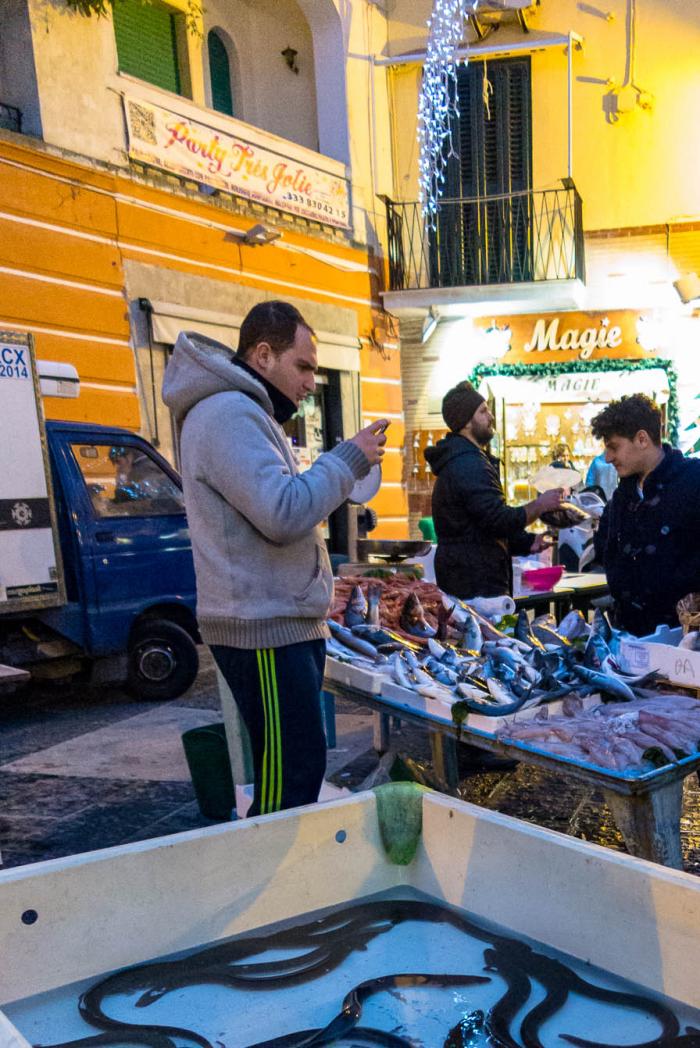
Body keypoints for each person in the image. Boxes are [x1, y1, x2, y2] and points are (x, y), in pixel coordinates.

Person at [162, 300, 387, 816]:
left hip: (276, 620)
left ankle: (278, 881)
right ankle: (273, 887)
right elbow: (282, 512)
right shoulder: (228, 413)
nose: (311, 383)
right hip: (263, 626)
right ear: (263, 355)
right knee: (289, 781)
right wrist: (346, 460)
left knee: (291, 772)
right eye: (303, 366)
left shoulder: (243, 411)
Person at [424, 380, 565, 598]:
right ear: (466, 422)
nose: (490, 417)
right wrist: (540, 504)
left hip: (470, 576)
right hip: (475, 584)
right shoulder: (468, 463)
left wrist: (528, 542)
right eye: (483, 411)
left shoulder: (467, 459)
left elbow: (482, 528)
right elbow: (496, 519)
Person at [592, 393, 700, 637]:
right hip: (629, 637)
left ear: (642, 439)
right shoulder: (622, 495)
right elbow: (605, 551)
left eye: (614, 447)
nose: (608, 458)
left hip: (686, 643)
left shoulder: (694, 481)